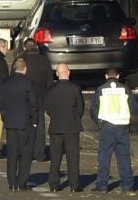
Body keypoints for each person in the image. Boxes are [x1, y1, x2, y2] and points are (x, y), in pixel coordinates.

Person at [91, 67, 137, 193]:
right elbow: (133, 107)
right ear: (118, 76)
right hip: (122, 126)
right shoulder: (125, 89)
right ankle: (127, 186)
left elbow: (94, 110)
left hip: (107, 127)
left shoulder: (100, 90)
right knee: (124, 157)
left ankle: (102, 186)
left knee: (104, 157)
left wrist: (99, 122)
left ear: (106, 76)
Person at [0, 57, 38, 191]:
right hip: (25, 122)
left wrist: (5, 118)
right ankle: (21, 182)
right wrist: (34, 120)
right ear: (25, 69)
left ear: (14, 68)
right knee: (25, 154)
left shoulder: (6, 83)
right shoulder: (28, 83)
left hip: (10, 123)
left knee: (12, 154)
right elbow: (33, 103)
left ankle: (11, 182)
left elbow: (2, 103)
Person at [45, 64, 84, 192]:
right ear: (68, 72)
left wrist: (55, 117)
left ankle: (54, 184)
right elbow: (80, 108)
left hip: (56, 126)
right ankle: (74, 185)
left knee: (55, 158)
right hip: (72, 126)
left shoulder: (51, 89)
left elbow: (48, 108)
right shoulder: (75, 88)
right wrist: (75, 118)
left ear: (57, 74)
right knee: (72, 158)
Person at [21, 37, 53, 161]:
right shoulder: (44, 61)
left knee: (25, 126)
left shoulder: (21, 60)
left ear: (25, 47)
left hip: (24, 98)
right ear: (37, 47)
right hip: (40, 97)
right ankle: (39, 153)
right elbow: (49, 81)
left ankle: (26, 153)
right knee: (40, 127)